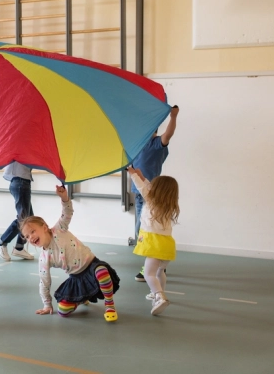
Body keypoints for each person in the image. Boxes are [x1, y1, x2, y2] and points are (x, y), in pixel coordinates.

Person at [20, 185, 120, 322]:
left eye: (32, 231)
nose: (30, 237)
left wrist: (64, 198)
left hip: (92, 265)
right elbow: (44, 282)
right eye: (26, 236)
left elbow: (67, 213)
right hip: (76, 277)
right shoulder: (44, 258)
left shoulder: (59, 229)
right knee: (63, 311)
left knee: (102, 272)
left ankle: (109, 304)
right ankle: (82, 298)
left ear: (44, 228)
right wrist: (47, 304)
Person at [131, 105, 179, 282]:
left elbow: (168, 135)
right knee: (141, 231)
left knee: (148, 231)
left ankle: (151, 267)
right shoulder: (138, 145)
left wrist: (173, 117)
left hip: (152, 194)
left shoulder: (157, 144)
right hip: (138, 193)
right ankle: (156, 264)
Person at [127, 166, 179, 316]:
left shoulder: (151, 201)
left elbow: (142, 188)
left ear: (156, 191)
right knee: (159, 271)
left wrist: (133, 175)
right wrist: (142, 176)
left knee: (148, 274)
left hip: (153, 244)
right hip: (167, 245)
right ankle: (158, 292)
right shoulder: (168, 205)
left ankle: (159, 296)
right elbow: (147, 187)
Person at [0, 161, 34, 261]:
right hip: (20, 182)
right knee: (23, 219)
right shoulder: (19, 146)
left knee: (29, 218)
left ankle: (19, 247)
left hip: (23, 182)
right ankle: (1, 242)